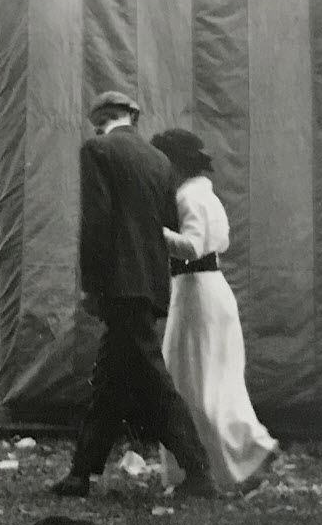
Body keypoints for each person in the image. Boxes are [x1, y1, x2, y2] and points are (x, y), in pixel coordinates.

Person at [52, 90, 216, 501]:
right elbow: (162, 225)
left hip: (119, 285)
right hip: (150, 284)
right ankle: (80, 473)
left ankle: (198, 469)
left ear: (99, 120)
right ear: (132, 117)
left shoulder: (97, 150)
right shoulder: (159, 161)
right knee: (112, 378)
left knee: (152, 379)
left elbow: (98, 225)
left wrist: (93, 286)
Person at [151, 129, 278, 491]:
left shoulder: (188, 198)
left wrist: (151, 230)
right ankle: (241, 454)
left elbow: (192, 247)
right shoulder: (205, 196)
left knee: (190, 382)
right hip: (209, 290)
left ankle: (223, 462)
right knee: (214, 381)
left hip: (195, 292)